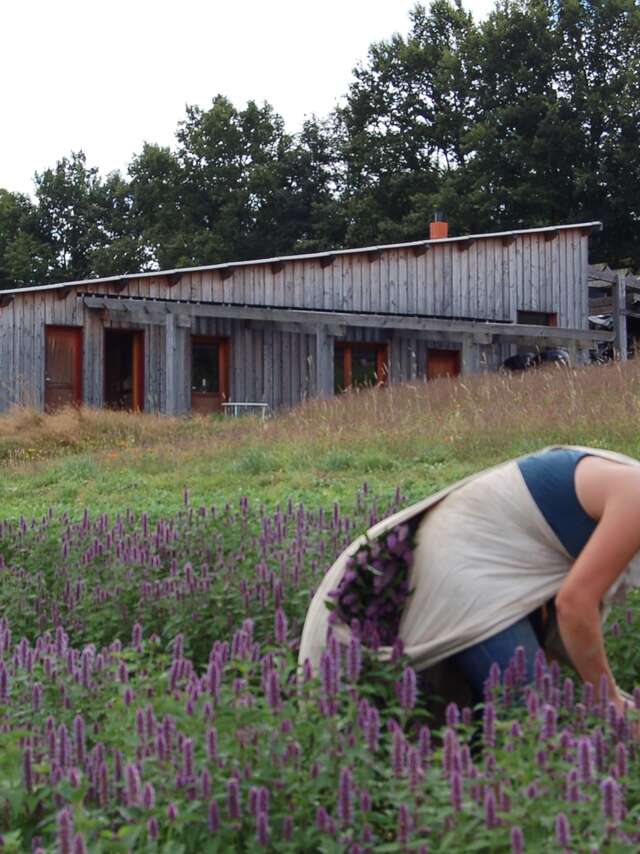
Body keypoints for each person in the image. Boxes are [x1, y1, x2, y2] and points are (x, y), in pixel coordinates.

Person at [298, 446, 640, 715]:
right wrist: (609, 701)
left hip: (498, 566)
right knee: (532, 714)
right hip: (465, 566)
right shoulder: (635, 496)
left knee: (515, 715)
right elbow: (574, 604)